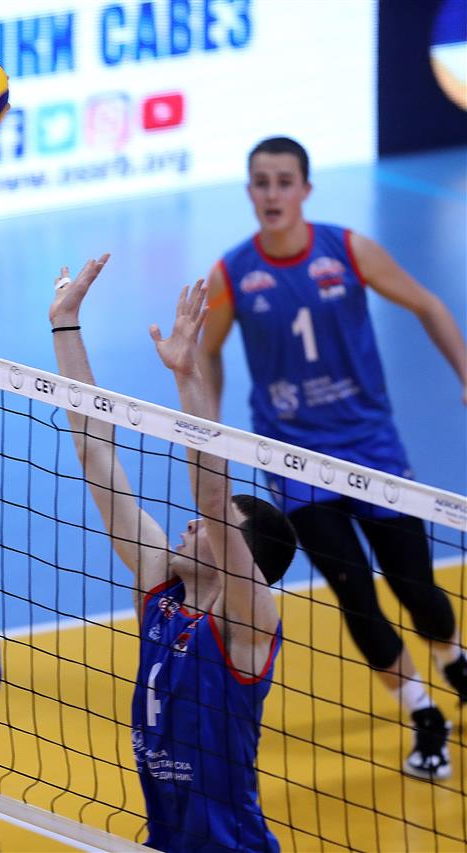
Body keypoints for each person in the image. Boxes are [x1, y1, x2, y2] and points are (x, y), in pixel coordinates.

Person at [199, 136, 467, 780]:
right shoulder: (233, 273)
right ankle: (425, 716)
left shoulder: (347, 250)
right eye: (261, 182)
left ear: (305, 190)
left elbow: (428, 303)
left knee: (417, 589)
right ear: (249, 191)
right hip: (295, 462)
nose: (272, 194)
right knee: (354, 593)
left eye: (283, 181)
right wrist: (207, 425)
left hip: (372, 448)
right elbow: (206, 350)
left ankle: (456, 662)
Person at [51, 259, 297, 852]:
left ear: (242, 555)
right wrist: (65, 325)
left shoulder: (246, 623)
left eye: (216, 527)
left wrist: (188, 378)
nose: (192, 522)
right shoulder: (161, 589)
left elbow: (212, 497)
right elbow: (95, 453)